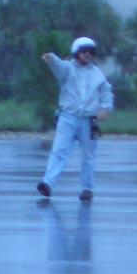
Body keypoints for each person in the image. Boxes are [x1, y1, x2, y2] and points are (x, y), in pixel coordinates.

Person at [37, 36, 114, 202]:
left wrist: (105, 108)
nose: (88, 54)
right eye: (84, 51)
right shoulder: (67, 69)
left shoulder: (97, 73)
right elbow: (58, 66)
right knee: (59, 151)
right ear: (76, 52)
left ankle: (87, 188)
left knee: (88, 156)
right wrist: (52, 59)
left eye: (91, 51)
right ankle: (47, 183)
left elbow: (106, 91)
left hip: (89, 121)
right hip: (67, 117)